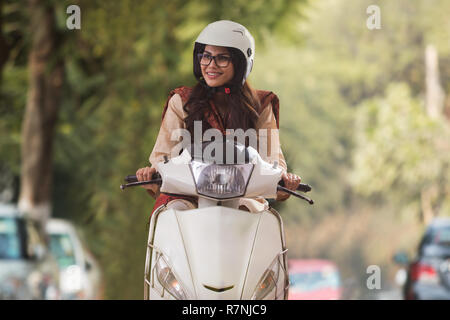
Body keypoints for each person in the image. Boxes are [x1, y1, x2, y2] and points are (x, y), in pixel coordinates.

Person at [136, 20, 301, 214]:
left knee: (259, 220)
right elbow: (162, 158)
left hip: (244, 200)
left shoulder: (261, 105)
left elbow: (272, 162)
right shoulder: (181, 101)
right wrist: (151, 174)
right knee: (172, 213)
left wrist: (284, 181)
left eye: (222, 58)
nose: (211, 65)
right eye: (206, 56)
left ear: (240, 64)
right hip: (187, 199)